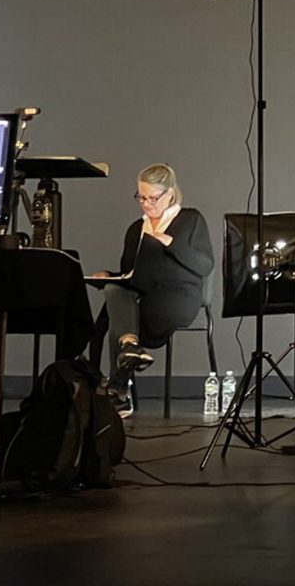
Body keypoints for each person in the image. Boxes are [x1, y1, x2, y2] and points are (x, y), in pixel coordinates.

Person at [92, 163, 214, 417]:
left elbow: (204, 265)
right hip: (143, 296)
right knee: (115, 291)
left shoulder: (191, 219)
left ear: (170, 194)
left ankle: (119, 389)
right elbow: (130, 273)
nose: (146, 204)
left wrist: (170, 242)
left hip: (177, 299)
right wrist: (108, 276)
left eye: (152, 198)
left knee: (121, 315)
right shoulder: (137, 228)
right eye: (141, 197)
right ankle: (131, 346)